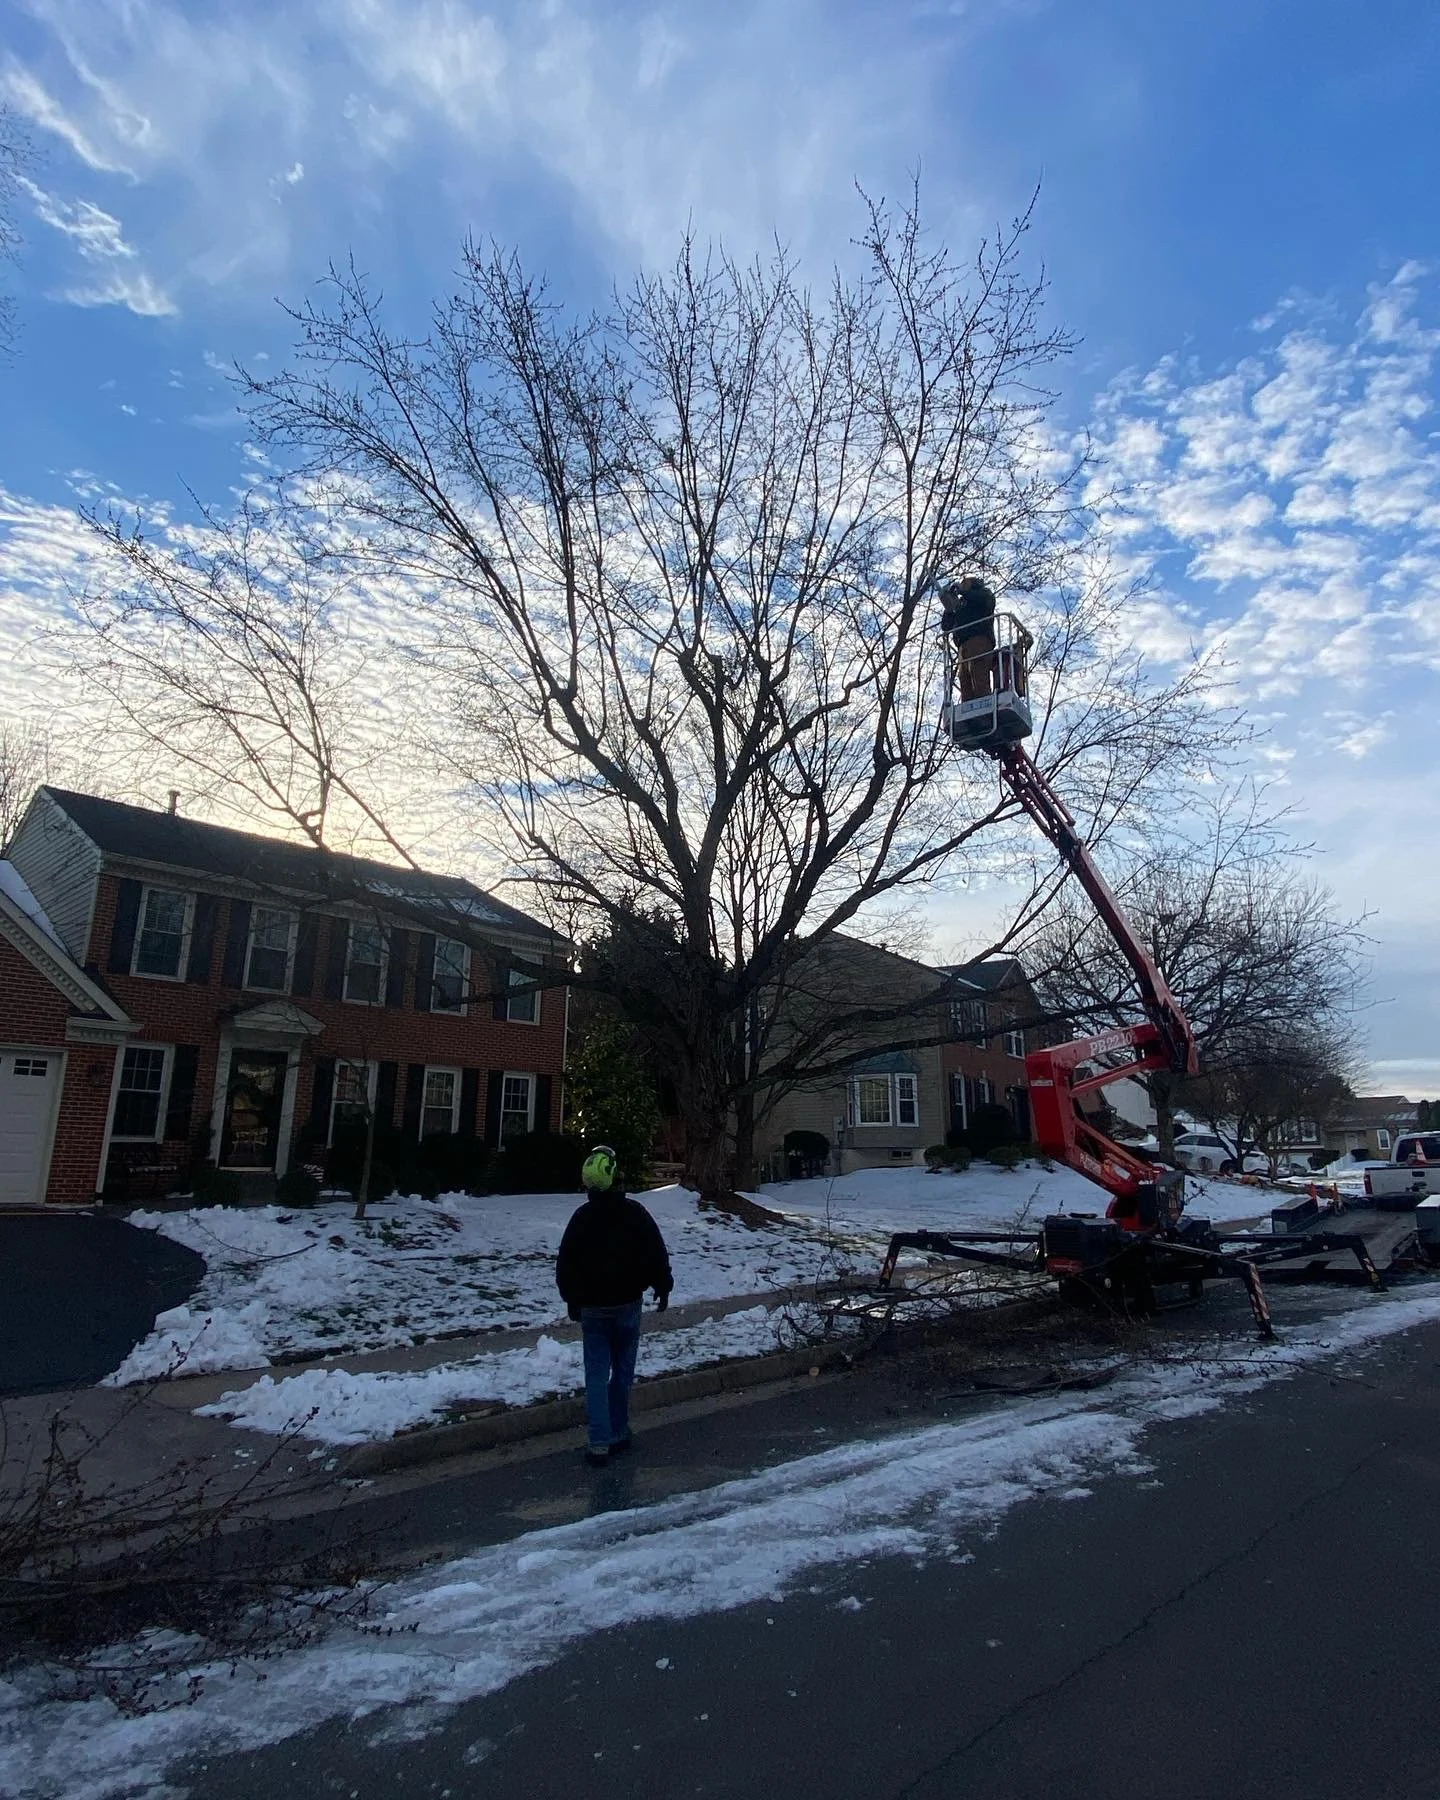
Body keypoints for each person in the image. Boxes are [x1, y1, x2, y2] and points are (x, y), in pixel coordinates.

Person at [556, 1144, 674, 1466]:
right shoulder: (634, 1214)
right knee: (622, 1371)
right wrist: (663, 1287)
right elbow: (655, 1252)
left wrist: (572, 1300)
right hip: (627, 1304)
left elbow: (566, 1264)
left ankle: (598, 1441)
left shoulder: (581, 1219)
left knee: (595, 1373)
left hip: (592, 1309)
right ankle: (619, 1431)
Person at [939, 575, 997, 700]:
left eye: (965, 583)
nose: (962, 585)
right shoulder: (961, 605)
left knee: (979, 678)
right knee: (965, 683)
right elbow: (946, 626)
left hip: (979, 641)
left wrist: (962, 591)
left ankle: (985, 710)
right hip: (962, 646)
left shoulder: (984, 594)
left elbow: (983, 600)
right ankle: (970, 711)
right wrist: (948, 608)